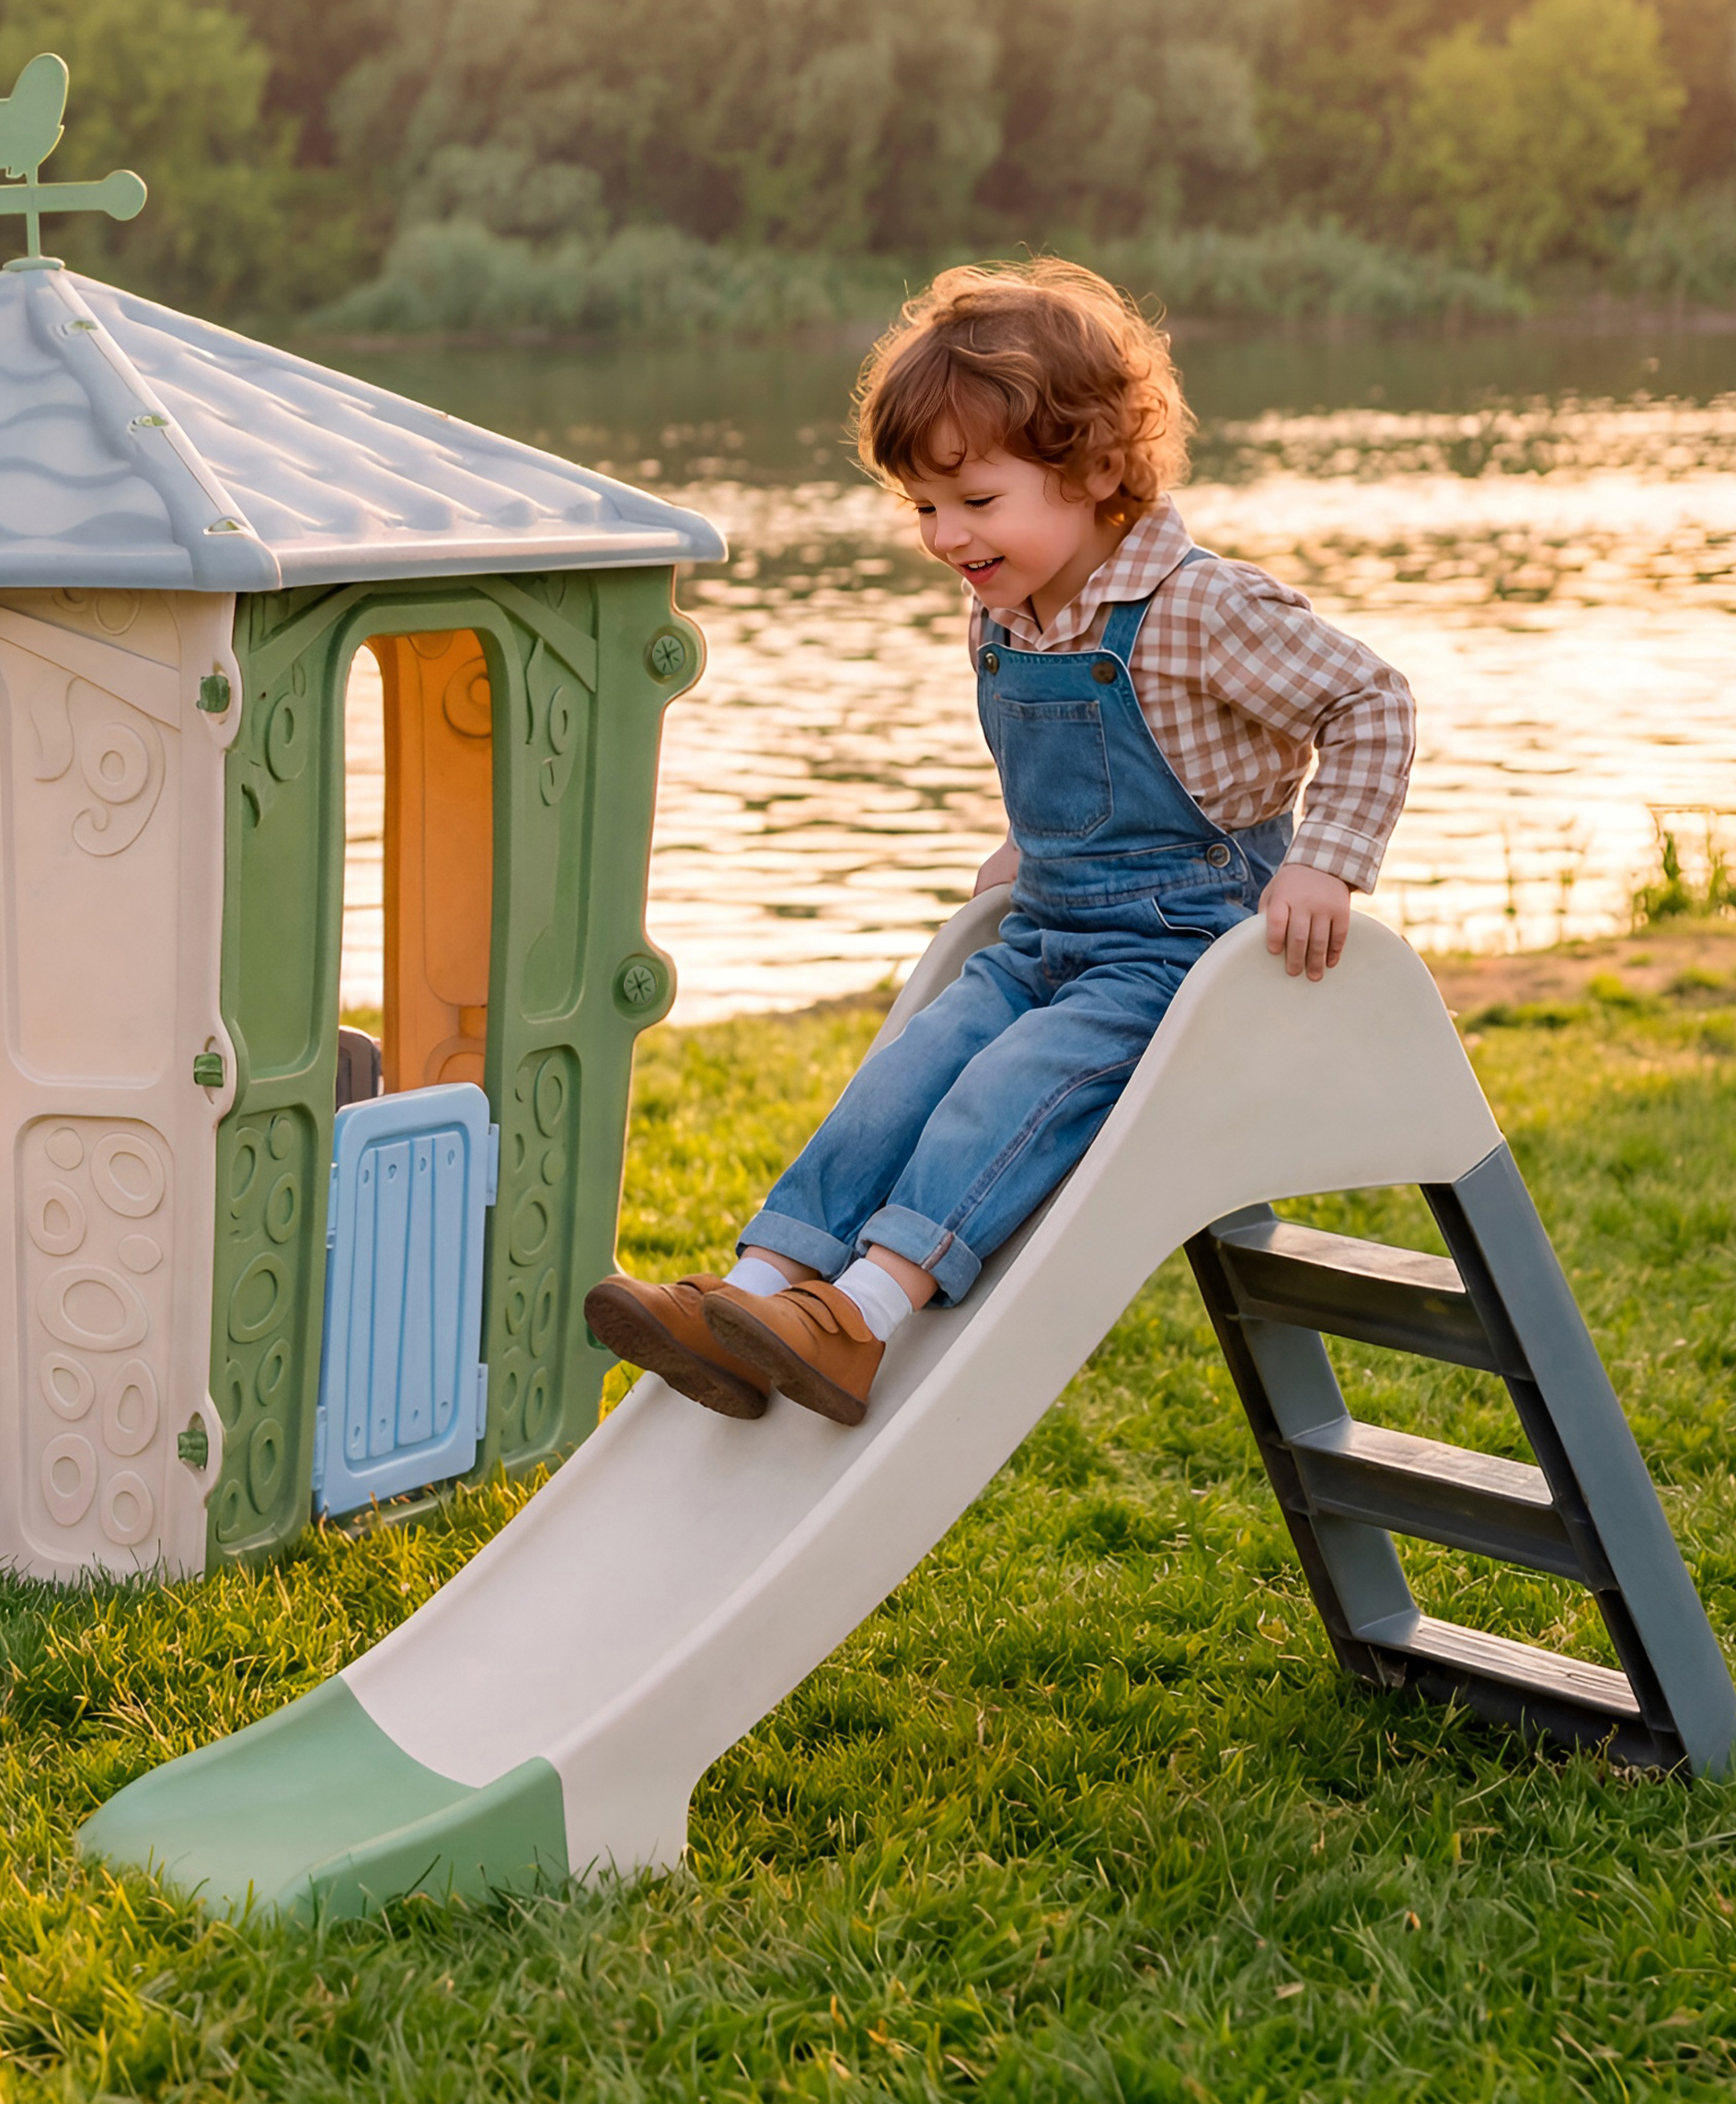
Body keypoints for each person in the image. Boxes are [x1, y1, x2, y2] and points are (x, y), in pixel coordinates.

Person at [589, 259, 1417, 1428]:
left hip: (1177, 951)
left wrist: (1325, 858)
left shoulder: (1198, 605)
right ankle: (754, 1291)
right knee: (908, 1071)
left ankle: (860, 1316)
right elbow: (1083, 769)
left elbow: (1370, 702)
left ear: (1096, 472)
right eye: (924, 507)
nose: (943, 536)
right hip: (1048, 929)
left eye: (975, 500)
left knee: (1008, 1085)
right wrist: (1028, 847)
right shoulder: (1004, 606)